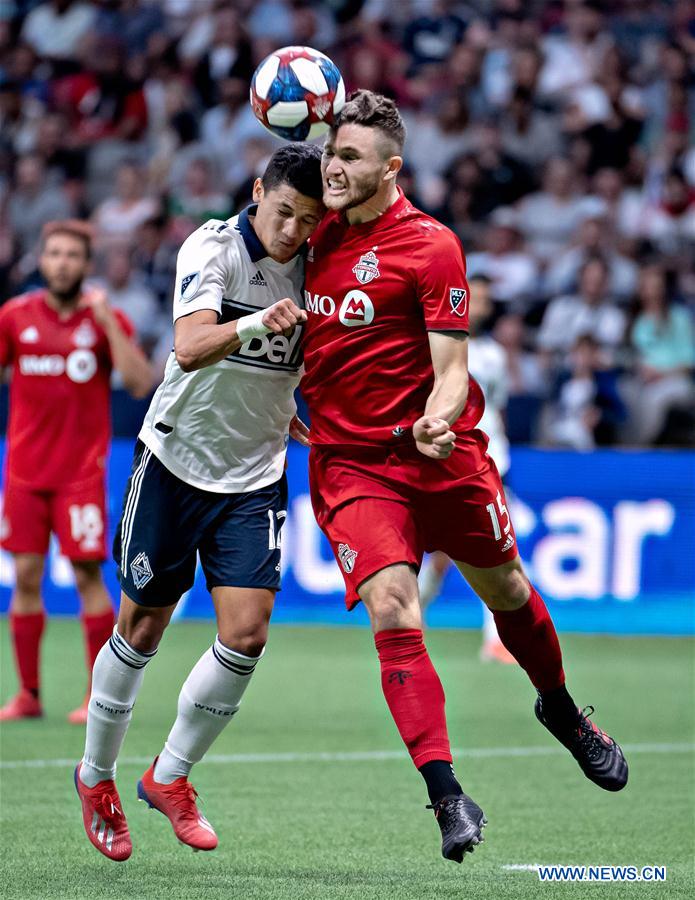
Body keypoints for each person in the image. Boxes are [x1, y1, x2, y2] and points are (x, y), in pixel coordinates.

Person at [301, 90, 628, 864]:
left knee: (507, 592)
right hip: (353, 464)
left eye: (349, 156)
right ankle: (447, 794)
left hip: (441, 456)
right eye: (329, 153)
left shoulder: (431, 245)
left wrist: (438, 418)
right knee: (392, 607)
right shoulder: (304, 235)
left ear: (391, 167)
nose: (333, 168)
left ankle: (561, 711)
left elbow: (452, 368)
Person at [74, 144, 323, 862]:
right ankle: (95, 777)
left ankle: (170, 776)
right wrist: (254, 324)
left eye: (307, 220)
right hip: (175, 460)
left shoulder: (316, 263)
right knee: (143, 625)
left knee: (247, 633)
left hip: (253, 473)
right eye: (283, 213)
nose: (292, 232)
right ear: (256, 192)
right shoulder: (211, 246)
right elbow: (185, 348)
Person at [0, 220, 153, 724]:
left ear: (86, 266)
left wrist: (108, 322)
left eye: (72, 255)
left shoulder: (102, 319)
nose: (62, 262)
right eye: (54, 254)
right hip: (23, 472)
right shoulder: (14, 316)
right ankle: (27, 694)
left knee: (89, 576)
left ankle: (95, 696)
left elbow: (138, 383)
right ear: (42, 261)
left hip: (80, 476)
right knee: (24, 577)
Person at [418, 273, 515, 664]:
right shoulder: (434, 346)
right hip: (449, 455)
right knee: (442, 554)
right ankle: (411, 617)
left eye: (488, 300)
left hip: (493, 460)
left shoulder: (493, 354)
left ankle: (497, 640)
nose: (482, 307)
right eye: (477, 298)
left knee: (498, 550)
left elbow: (498, 407)